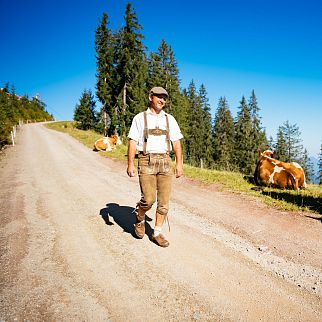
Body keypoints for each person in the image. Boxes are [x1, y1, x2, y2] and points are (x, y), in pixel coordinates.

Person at [127, 86, 183, 247]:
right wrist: (130, 163)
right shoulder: (140, 118)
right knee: (149, 199)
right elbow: (132, 142)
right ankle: (140, 217)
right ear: (150, 97)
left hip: (165, 161)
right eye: (158, 97)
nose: (162, 100)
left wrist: (179, 163)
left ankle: (156, 233)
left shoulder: (169, 119)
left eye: (164, 98)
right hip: (146, 160)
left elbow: (176, 142)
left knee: (164, 202)